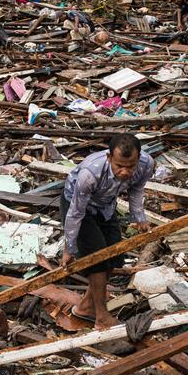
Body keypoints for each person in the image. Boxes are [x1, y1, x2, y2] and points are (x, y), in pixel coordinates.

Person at [60, 134, 154, 328]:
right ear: (109, 157)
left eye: (130, 166)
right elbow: (76, 213)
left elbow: (136, 189)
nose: (125, 172)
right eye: (119, 166)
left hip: (105, 204)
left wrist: (139, 218)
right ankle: (102, 318)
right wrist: (69, 247)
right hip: (77, 206)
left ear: (138, 158)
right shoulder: (90, 173)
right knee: (97, 258)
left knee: (114, 254)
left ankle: (86, 307)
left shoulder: (146, 164)